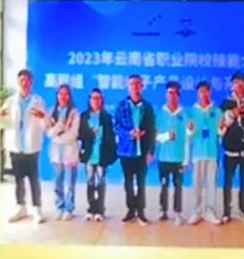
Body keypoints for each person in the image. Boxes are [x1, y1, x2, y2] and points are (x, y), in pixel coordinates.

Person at [0, 68, 48, 224]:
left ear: (31, 82)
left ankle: (37, 209)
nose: (25, 83)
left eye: (27, 80)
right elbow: (2, 123)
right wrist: (0, 116)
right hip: (15, 146)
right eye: (22, 80)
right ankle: (21, 208)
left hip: (32, 147)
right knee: (18, 179)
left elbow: (45, 125)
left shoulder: (38, 101)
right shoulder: (10, 101)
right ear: (18, 82)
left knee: (34, 179)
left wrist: (43, 117)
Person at [113, 75, 156, 226]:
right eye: (132, 84)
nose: (135, 87)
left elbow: (152, 130)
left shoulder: (147, 107)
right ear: (128, 86)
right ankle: (131, 210)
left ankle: (141, 211)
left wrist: (151, 151)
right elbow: (116, 127)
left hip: (142, 151)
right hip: (126, 151)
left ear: (142, 86)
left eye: (138, 84)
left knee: (141, 182)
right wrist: (129, 134)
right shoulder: (121, 105)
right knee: (128, 182)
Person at [220, 72, 244, 224]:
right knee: (228, 182)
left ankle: (243, 210)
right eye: (236, 83)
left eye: (242, 82)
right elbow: (221, 125)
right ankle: (226, 211)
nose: (240, 86)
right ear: (232, 85)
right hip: (230, 148)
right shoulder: (226, 103)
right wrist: (232, 113)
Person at [79, 88, 118, 222]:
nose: (96, 101)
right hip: (89, 155)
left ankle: (100, 210)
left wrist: (112, 155)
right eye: (93, 98)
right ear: (89, 100)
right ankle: (91, 209)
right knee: (90, 182)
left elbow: (111, 137)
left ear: (102, 100)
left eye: (98, 98)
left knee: (101, 182)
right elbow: (80, 135)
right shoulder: (84, 116)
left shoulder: (107, 117)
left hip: (102, 155)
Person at [186, 80, 222, 225]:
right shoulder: (191, 112)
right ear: (197, 93)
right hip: (197, 153)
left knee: (211, 184)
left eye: (206, 91)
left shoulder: (217, 111)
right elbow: (189, 135)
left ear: (210, 92)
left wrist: (222, 128)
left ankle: (210, 212)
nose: (204, 94)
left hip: (212, 152)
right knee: (197, 185)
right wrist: (189, 129)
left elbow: (220, 133)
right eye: (201, 91)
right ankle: (196, 211)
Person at [155, 81, 190, 225]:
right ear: (166, 94)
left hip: (178, 158)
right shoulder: (160, 113)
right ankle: (163, 211)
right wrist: (166, 137)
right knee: (164, 185)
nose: (172, 96)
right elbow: (155, 136)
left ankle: (178, 213)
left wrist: (186, 160)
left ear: (179, 95)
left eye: (175, 93)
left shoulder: (185, 114)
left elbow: (188, 138)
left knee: (178, 187)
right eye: (169, 93)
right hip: (164, 157)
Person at [47, 84, 81, 221]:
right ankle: (59, 207)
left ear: (70, 96)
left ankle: (69, 208)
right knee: (57, 182)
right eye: (60, 94)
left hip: (70, 152)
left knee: (69, 183)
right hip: (56, 154)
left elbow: (74, 134)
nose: (63, 96)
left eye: (66, 94)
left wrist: (58, 137)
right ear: (57, 95)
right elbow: (48, 133)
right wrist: (59, 128)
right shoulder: (51, 112)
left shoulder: (74, 113)